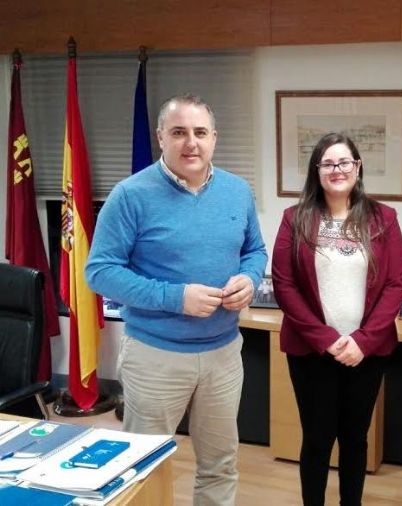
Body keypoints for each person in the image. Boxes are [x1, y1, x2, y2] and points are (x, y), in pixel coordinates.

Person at [85, 93, 267, 506]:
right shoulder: (130, 195)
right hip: (155, 358)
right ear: (161, 138)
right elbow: (100, 272)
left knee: (220, 465)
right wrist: (176, 298)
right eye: (179, 132)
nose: (191, 143)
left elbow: (254, 250)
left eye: (200, 132)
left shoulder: (238, 191)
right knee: (143, 468)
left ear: (214, 138)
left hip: (223, 355)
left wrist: (249, 277)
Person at [272, 132, 402, 506]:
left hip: (366, 353)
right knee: (317, 440)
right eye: (328, 163)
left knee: (355, 438)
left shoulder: (383, 219)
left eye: (344, 162)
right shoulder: (294, 219)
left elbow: (395, 285)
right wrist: (327, 339)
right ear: (316, 171)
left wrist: (362, 341)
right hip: (311, 351)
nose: (337, 169)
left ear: (357, 167)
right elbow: (284, 285)